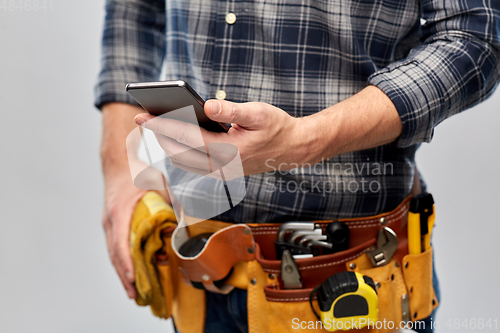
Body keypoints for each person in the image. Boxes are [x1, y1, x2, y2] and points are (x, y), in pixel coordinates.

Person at [95, 1, 500, 332]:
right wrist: (120, 172)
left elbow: (475, 37)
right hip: (200, 281)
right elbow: (135, 9)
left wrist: (306, 141)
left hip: (353, 288)